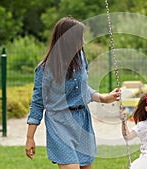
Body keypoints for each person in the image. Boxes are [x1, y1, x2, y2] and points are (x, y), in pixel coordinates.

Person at [25, 16, 121, 169]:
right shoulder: (44, 69)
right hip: (59, 122)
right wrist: (30, 137)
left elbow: (83, 88)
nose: (83, 41)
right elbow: (37, 103)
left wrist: (103, 98)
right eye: (80, 38)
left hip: (82, 120)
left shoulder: (81, 59)